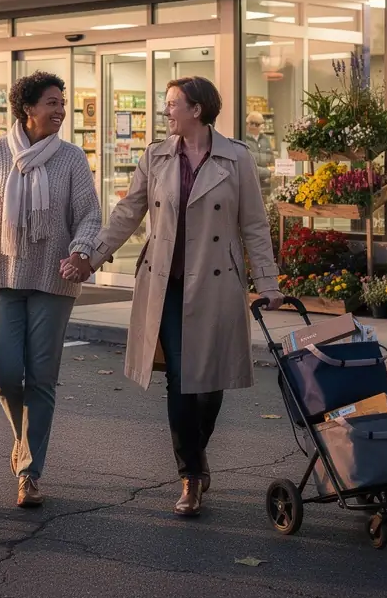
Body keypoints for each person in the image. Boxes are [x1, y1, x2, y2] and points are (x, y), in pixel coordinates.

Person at [61, 76, 283, 519]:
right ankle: (191, 475)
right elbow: (128, 212)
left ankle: (196, 453)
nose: (166, 112)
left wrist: (268, 282)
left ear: (196, 109)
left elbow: (255, 225)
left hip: (217, 283)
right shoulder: (156, 156)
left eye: (172, 104)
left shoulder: (236, 158)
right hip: (167, 283)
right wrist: (90, 257)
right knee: (180, 379)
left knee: (210, 384)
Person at [0, 71, 101, 509]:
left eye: (62, 103)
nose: (61, 110)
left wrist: (80, 252)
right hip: (3, 277)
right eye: (52, 102)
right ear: (27, 108)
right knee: (5, 372)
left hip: (55, 280)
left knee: (42, 378)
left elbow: (90, 215)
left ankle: (29, 473)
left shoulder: (72, 159)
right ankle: (22, 438)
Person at [243, 112, 275, 196]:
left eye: (263, 123)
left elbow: (271, 159)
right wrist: (268, 171)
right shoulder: (243, 140)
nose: (263, 126)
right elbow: (248, 167)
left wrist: (273, 170)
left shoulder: (265, 139)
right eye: (260, 124)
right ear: (251, 125)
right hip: (250, 186)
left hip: (266, 186)